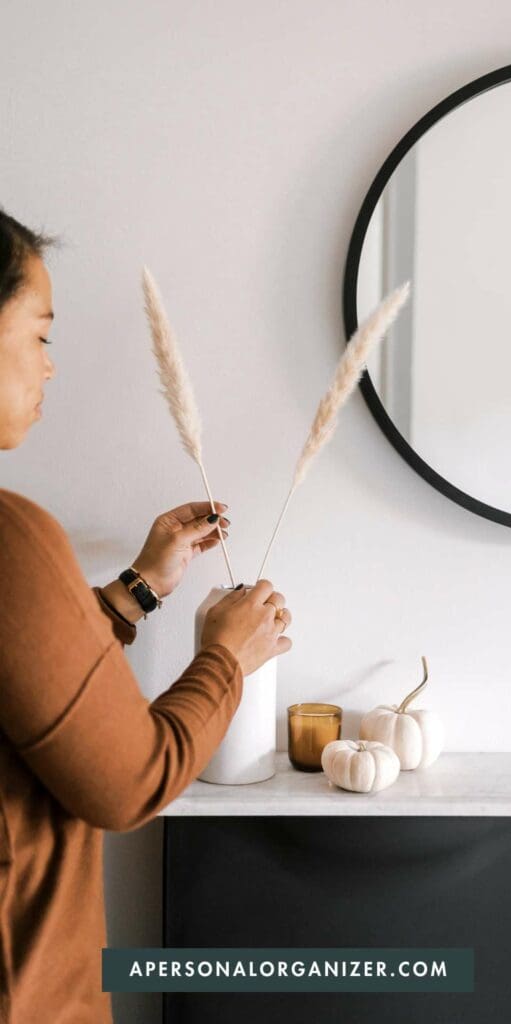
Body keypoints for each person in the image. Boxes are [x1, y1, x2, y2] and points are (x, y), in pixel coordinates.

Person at [0, 207, 292, 1022]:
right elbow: (131, 781)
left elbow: (24, 675)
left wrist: (138, 588)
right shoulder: (10, 536)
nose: (50, 368)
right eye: (39, 335)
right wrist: (225, 659)